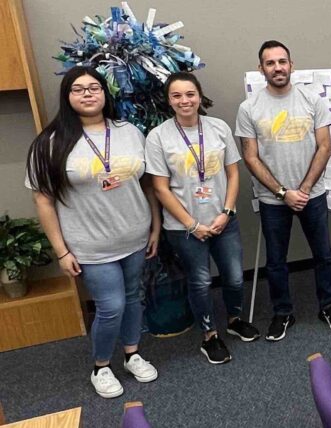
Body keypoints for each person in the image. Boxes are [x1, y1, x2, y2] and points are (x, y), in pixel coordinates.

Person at [25, 66, 160, 398]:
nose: (87, 93)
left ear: (105, 94)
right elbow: (43, 200)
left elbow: (147, 184)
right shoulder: (51, 142)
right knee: (111, 306)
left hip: (134, 236)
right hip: (90, 245)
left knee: (133, 298)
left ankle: (131, 354)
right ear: (67, 97)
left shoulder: (129, 131)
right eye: (78, 89)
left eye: (94, 87)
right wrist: (61, 251)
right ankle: (101, 366)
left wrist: (155, 226)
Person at [236, 40, 331, 341]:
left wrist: (306, 188)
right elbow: (250, 156)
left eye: (282, 61)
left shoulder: (312, 100)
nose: (277, 67)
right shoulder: (249, 108)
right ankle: (282, 313)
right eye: (270, 63)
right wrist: (284, 192)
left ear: (291, 64)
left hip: (313, 194)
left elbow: (325, 146)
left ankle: (328, 306)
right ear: (261, 69)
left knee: (324, 254)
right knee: (276, 262)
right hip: (273, 199)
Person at [147, 72, 260, 364]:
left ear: (199, 96)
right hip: (185, 228)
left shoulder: (218, 128)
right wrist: (191, 224)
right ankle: (209, 335)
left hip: (223, 221)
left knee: (234, 277)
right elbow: (160, 187)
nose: (184, 101)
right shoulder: (158, 136)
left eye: (190, 94)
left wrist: (227, 212)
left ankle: (234, 321)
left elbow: (234, 173)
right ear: (169, 100)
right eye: (177, 95)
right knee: (200, 282)